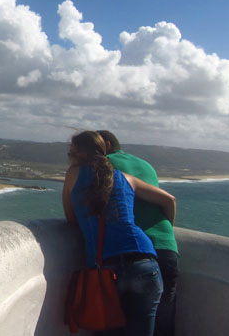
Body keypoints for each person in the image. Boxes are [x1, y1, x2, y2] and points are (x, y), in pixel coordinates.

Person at [62, 131, 176, 336]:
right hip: (146, 263)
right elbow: (169, 200)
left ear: (81, 154)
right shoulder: (125, 177)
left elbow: (71, 218)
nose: (70, 156)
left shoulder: (73, 174)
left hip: (107, 268)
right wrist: (168, 229)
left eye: (72, 152)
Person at [97, 130, 179, 336]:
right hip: (166, 246)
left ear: (106, 144)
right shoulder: (146, 165)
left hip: (132, 250)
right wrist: (165, 232)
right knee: (162, 321)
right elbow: (168, 200)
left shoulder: (103, 165)